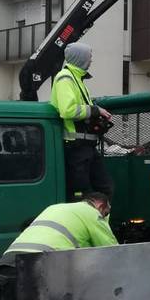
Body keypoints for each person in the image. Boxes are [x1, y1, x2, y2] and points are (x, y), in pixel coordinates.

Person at [50, 42, 113, 199]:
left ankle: (94, 214)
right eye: (89, 57)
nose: (91, 60)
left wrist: (95, 111)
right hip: (76, 147)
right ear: (80, 58)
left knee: (103, 189)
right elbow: (68, 110)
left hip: (85, 146)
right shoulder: (65, 78)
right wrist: (96, 110)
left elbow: (79, 109)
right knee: (82, 194)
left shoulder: (76, 78)